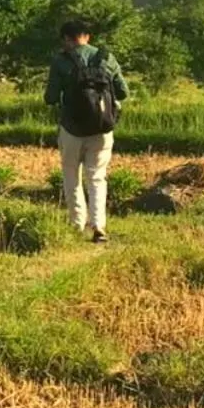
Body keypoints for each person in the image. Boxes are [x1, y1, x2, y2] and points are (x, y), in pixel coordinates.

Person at [44, 19, 128, 243]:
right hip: (102, 129)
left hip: (72, 129)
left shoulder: (61, 60)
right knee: (97, 177)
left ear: (65, 39)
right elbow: (123, 92)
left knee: (71, 175)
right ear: (87, 36)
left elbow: (50, 97)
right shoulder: (106, 57)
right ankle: (98, 226)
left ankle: (77, 223)